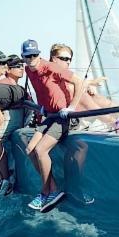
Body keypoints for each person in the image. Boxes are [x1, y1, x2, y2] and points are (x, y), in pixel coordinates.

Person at [22, 39, 86, 212]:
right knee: (30, 150)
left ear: (39, 54)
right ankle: (52, 188)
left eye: (35, 55)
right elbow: (41, 90)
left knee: (40, 150)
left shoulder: (51, 67)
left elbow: (80, 82)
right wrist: (41, 105)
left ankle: (46, 191)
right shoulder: (28, 70)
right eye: (28, 56)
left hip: (63, 118)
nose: (31, 59)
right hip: (50, 116)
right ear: (23, 57)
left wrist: (71, 107)